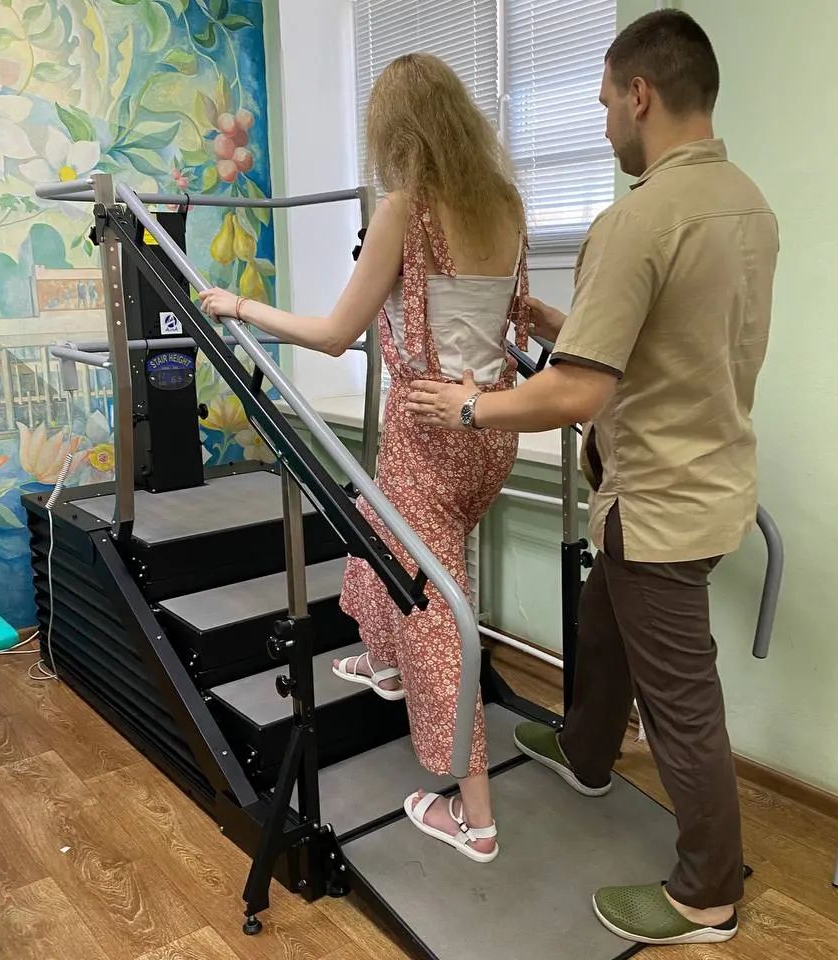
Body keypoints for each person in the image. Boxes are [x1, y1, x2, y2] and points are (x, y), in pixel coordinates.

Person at [406, 9, 778, 947]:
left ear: (640, 94)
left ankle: (707, 893)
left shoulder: (637, 219)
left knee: (682, 704)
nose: (605, 121)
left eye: (607, 101)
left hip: (657, 501)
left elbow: (575, 392)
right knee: (602, 623)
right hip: (710, 477)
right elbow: (671, 337)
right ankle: (584, 748)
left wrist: (468, 407)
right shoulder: (746, 206)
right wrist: (553, 321)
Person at [201, 53, 530, 863]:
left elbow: (334, 334)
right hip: (490, 428)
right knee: (381, 522)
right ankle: (383, 662)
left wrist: (238, 305)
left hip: (428, 431)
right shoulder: (505, 202)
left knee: (438, 618)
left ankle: (476, 818)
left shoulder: (406, 210)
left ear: (396, 132)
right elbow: (512, 315)